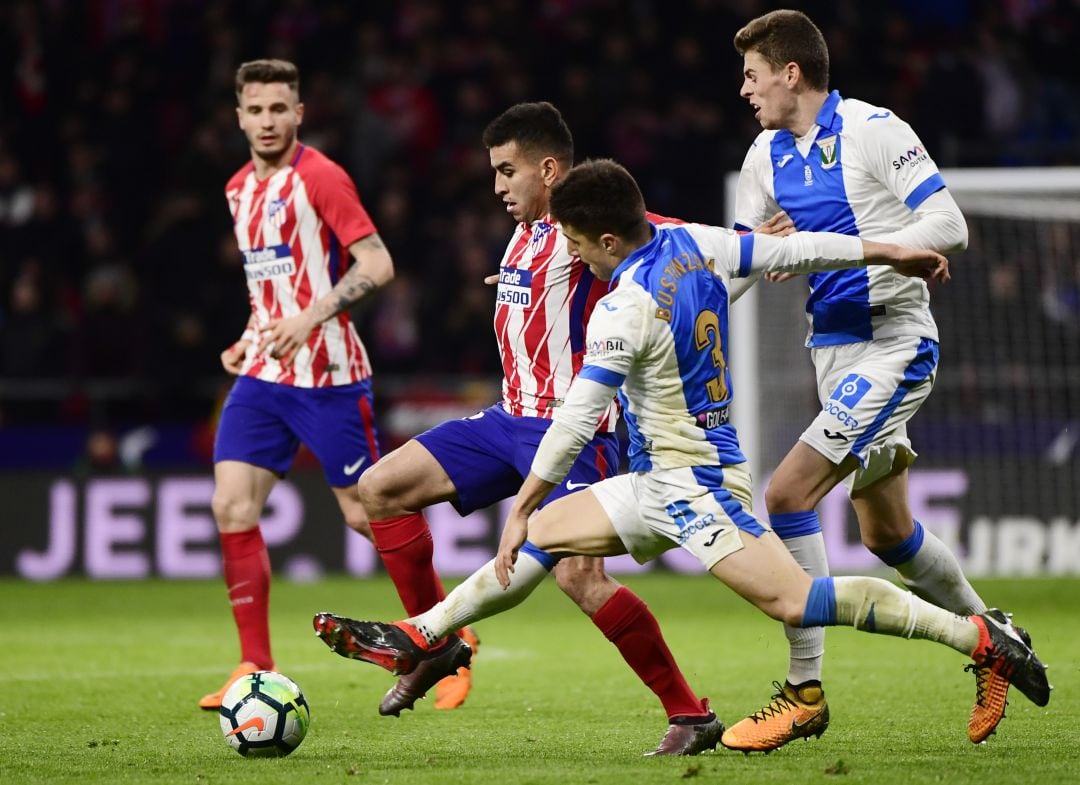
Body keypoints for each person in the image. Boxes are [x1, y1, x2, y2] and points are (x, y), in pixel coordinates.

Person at [311, 160, 1049, 756]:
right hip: (656, 477)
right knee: (544, 541)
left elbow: (575, 419)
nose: (565, 251)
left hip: (696, 487)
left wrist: (526, 496)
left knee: (797, 600)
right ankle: (425, 633)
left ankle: (976, 632)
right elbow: (798, 249)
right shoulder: (699, 242)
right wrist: (895, 250)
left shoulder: (622, 306)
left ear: (604, 239)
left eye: (571, 239)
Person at [339, 102, 720, 756]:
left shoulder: (585, 220)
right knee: (379, 488)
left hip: (577, 429)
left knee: (581, 578)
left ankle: (690, 713)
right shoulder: (523, 230)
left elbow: (665, 232)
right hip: (509, 417)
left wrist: (752, 240)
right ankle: (439, 641)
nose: (497, 185)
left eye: (507, 170)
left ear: (549, 168)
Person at [724, 9, 1015, 750]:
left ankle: (804, 690)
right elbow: (738, 268)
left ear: (792, 74)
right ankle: (994, 636)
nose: (745, 91)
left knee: (786, 494)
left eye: (754, 76)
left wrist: (840, 251)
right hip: (834, 354)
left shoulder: (875, 130)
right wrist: (743, 262)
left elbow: (949, 226)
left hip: (895, 345)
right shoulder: (764, 156)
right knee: (885, 533)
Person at [198, 59, 394, 710]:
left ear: (299, 113)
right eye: (255, 110)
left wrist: (308, 317)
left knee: (363, 513)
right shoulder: (236, 190)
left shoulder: (322, 176)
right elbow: (270, 288)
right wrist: (251, 336)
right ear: (239, 117)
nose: (267, 121)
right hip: (265, 373)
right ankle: (253, 663)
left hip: (330, 373)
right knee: (231, 506)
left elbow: (377, 262)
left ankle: (448, 631)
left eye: (279, 109)